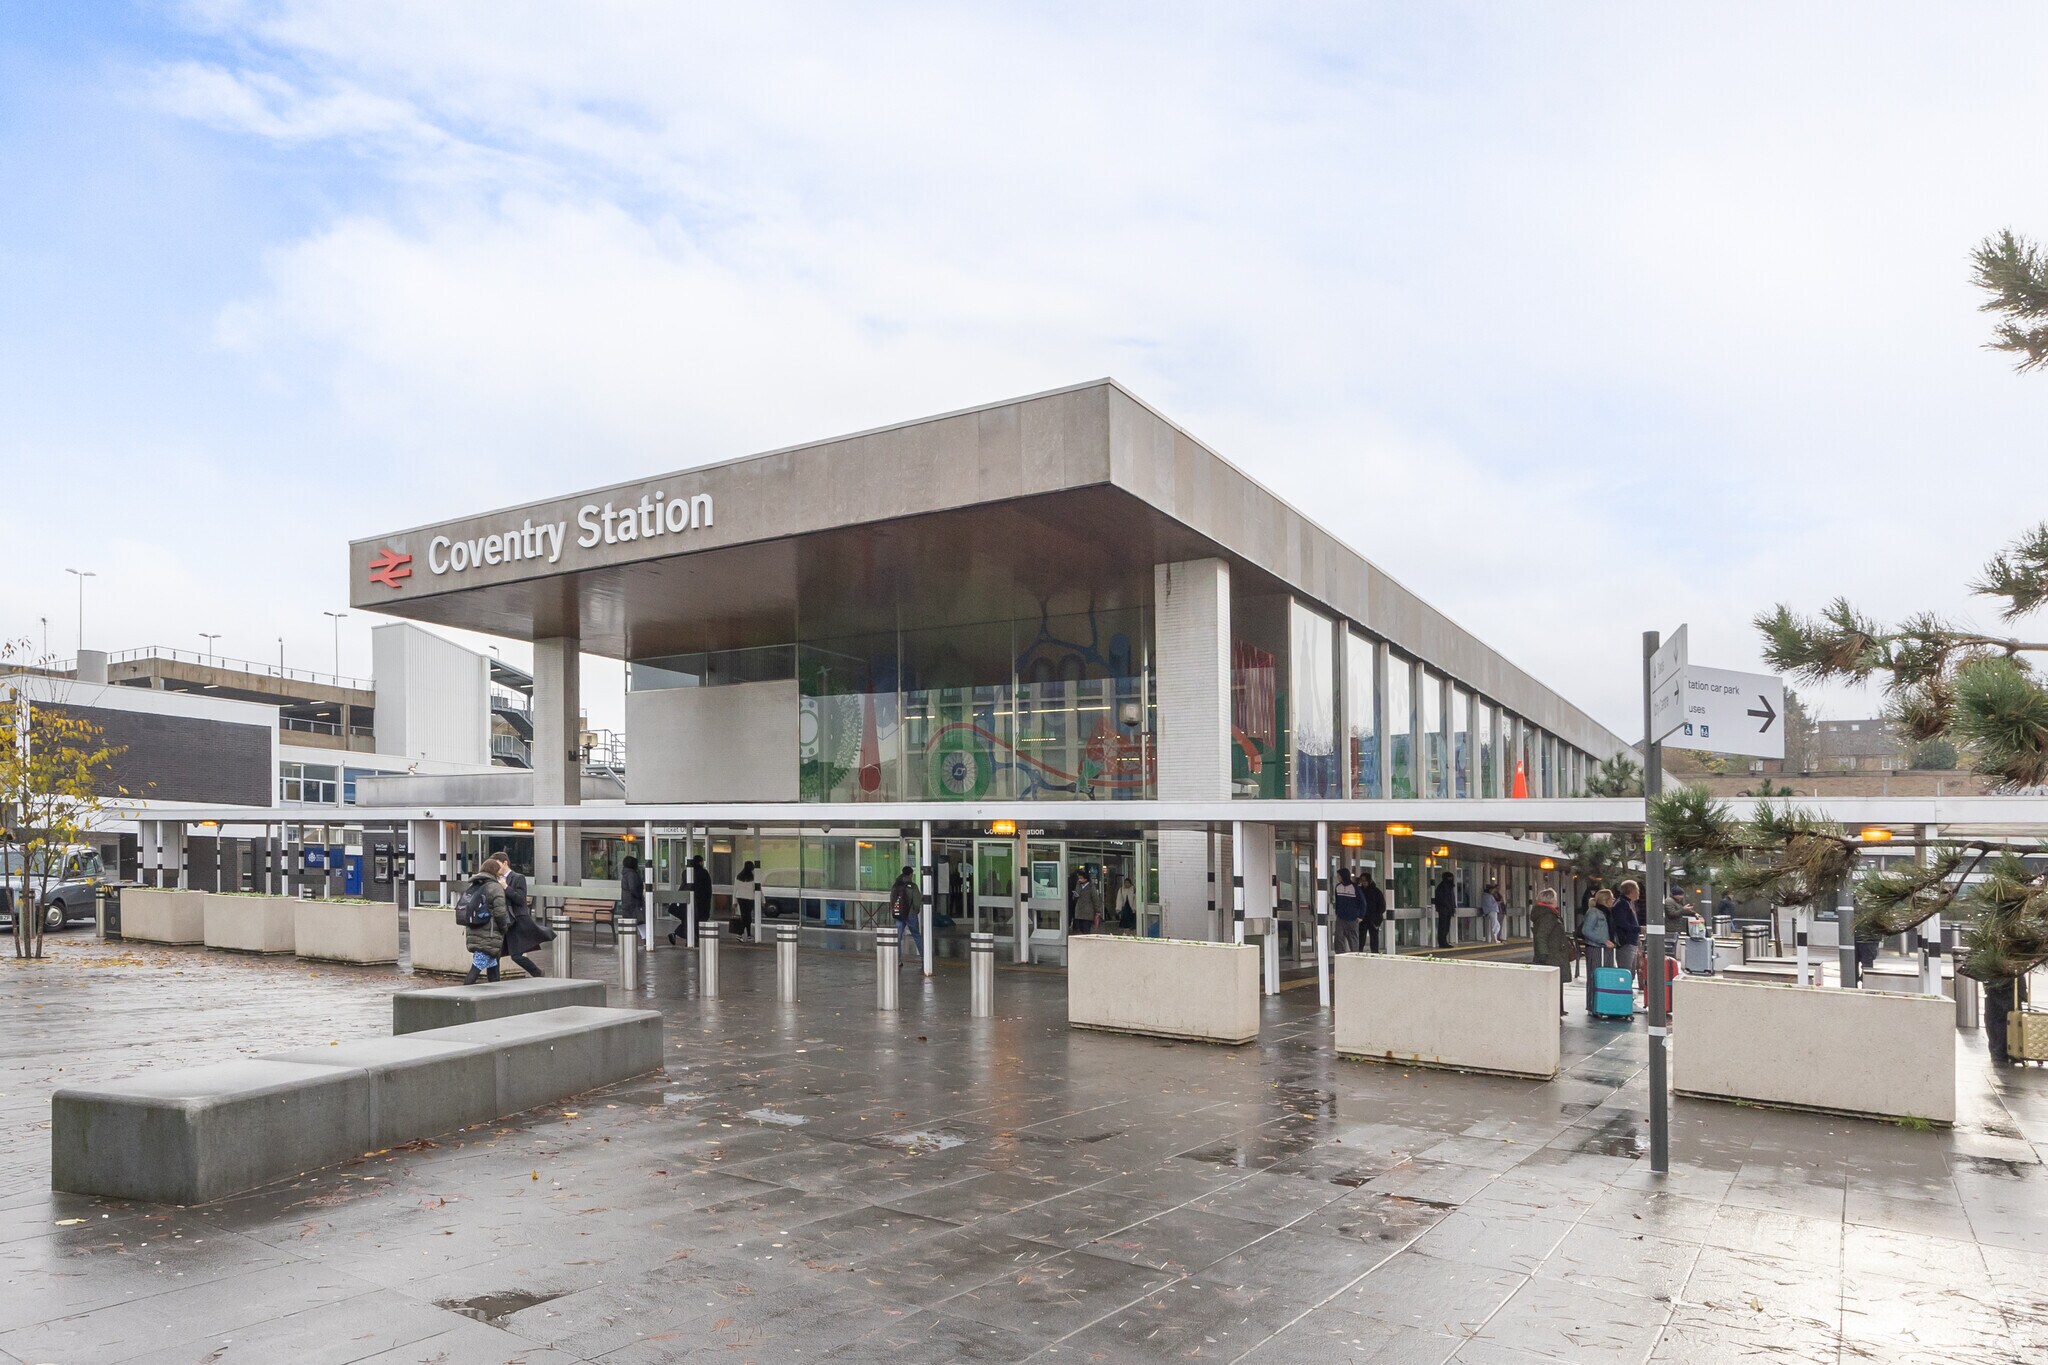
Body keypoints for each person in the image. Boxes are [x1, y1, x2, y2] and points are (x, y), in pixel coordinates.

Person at [460, 857, 511, 985]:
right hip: (489, 934)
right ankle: (462, 995)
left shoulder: (475, 885)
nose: (500, 874)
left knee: (493, 968)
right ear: (494, 871)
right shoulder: (495, 887)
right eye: (499, 872)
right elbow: (500, 912)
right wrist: (504, 928)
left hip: (475, 930)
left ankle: (495, 996)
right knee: (476, 968)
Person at [500, 862, 552, 977]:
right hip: (505, 921)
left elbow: (520, 899)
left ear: (505, 863)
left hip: (517, 921)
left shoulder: (518, 878)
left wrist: (506, 887)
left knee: (515, 955)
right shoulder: (497, 879)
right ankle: (537, 972)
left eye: (498, 864)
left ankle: (537, 972)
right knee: (504, 954)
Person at [1530, 887, 1572, 1016]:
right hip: (1552, 954)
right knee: (1554, 982)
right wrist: (1543, 954)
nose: (1557, 901)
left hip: (1554, 952)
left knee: (1556, 982)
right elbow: (1541, 936)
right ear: (1551, 900)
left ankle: (1558, 1009)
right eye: (1555, 898)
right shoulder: (1548, 916)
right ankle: (1555, 1010)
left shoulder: (1548, 914)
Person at [1580, 887, 1615, 1013]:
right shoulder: (1594, 912)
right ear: (1606, 900)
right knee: (1595, 976)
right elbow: (1586, 930)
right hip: (1596, 948)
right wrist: (1603, 940)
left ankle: (1604, 1004)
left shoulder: (1607, 912)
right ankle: (1592, 1005)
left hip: (1607, 949)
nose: (1613, 900)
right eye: (1612, 898)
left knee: (1606, 976)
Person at [1612, 878, 1644, 979]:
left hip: (1632, 941)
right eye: (1637, 890)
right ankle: (1623, 993)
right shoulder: (1621, 904)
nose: (1639, 892)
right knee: (1625, 972)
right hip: (1625, 942)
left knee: (1631, 973)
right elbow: (1621, 923)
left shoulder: (1629, 903)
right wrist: (1638, 929)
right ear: (1632, 891)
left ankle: (1627, 992)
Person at [888, 865, 921, 963]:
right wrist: (915, 911)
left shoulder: (896, 885)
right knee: (916, 935)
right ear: (911, 874)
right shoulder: (913, 886)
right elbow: (917, 902)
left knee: (898, 936)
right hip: (910, 914)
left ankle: (898, 960)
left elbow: (892, 899)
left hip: (899, 914)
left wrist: (895, 910)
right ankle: (924, 957)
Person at [1332, 867, 1363, 955]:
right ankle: (1340, 955)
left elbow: (1362, 902)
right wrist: (1337, 912)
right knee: (1339, 937)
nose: (1338, 877)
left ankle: (1354, 956)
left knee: (1352, 938)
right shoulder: (1338, 887)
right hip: (1341, 917)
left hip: (1352, 918)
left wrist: (1360, 916)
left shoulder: (1355, 888)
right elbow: (1337, 901)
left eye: (1339, 876)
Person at [1358, 868, 1387, 953]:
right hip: (1363, 919)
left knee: (1374, 939)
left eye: (1365, 881)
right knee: (1361, 938)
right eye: (1361, 881)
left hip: (1374, 919)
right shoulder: (1360, 891)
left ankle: (1375, 954)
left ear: (1369, 881)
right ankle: (1359, 952)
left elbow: (1382, 906)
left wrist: (1377, 919)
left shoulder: (1376, 892)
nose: (1363, 883)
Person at [1071, 868, 1103, 935]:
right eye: (1079, 878)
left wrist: (1098, 911)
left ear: (1086, 879)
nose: (1079, 880)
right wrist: (1075, 896)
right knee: (1079, 928)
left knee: (1086, 930)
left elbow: (1095, 899)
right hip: (1079, 911)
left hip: (1087, 912)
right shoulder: (1078, 885)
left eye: (1081, 878)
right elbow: (1076, 895)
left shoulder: (1091, 887)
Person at [1432, 872, 1458, 949]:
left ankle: (1444, 941)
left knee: (1446, 927)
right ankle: (1442, 942)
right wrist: (1448, 906)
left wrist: (1453, 908)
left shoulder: (1449, 887)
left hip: (1448, 910)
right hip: (1444, 910)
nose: (1451, 879)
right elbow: (1441, 899)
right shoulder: (1442, 887)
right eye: (1450, 878)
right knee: (1443, 927)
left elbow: (1451, 899)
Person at [732, 859, 757, 938]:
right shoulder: (753, 878)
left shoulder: (738, 877)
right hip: (750, 898)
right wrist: (763, 900)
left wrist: (734, 902)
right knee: (748, 916)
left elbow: (735, 889)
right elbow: (758, 889)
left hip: (740, 898)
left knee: (744, 916)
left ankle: (744, 934)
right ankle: (743, 934)